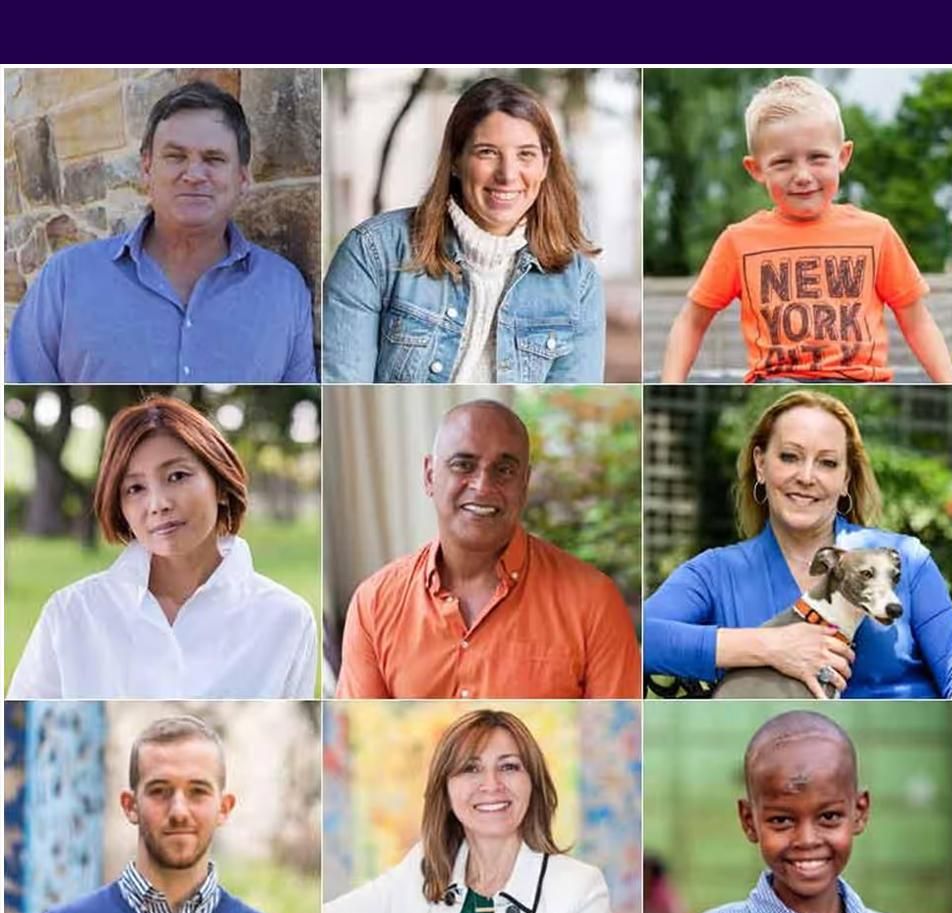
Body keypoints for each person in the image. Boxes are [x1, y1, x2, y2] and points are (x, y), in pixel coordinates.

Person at [645, 391, 952, 699]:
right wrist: (770, 647)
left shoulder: (908, 559)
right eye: (790, 457)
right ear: (760, 464)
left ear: (846, 478)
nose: (807, 476)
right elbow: (639, 636)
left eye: (827, 463)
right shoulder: (716, 573)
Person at [6, 81, 315, 384]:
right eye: (175, 156)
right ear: (146, 169)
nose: (194, 175)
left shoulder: (284, 290)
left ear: (242, 177)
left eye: (214, 159)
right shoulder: (66, 280)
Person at [7, 397, 317, 698]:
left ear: (220, 486)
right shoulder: (71, 615)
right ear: (121, 505)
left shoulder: (287, 619)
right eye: (135, 488)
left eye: (177, 476)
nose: (159, 504)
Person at [336, 399, 641, 698]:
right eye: (463, 465)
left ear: (524, 483)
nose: (482, 486)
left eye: (504, 470)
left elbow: (617, 742)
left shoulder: (593, 602)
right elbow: (358, 740)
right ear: (430, 476)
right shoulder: (375, 602)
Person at [661, 76, 952, 384]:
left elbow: (917, 322)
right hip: (776, 383)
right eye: (783, 162)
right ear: (756, 169)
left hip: (860, 383)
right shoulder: (738, 241)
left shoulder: (876, 233)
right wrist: (670, 384)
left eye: (817, 157)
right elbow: (691, 321)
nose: (802, 175)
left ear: (843, 156)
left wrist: (950, 385)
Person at [8, 717, 310, 913]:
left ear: (224, 808)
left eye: (197, 792)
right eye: (159, 791)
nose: (179, 810)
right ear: (130, 805)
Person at [321, 709, 613, 913]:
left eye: (509, 767)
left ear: (533, 784)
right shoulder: (422, 869)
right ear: (445, 791)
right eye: (470, 769)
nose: (491, 784)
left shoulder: (580, 889)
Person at [323, 77, 604, 383]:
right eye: (487, 152)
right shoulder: (373, 252)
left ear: (545, 163)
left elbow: (563, 401)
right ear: (455, 160)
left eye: (525, 154)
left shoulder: (578, 283)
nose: (508, 175)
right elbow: (343, 384)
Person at [661, 710, 922, 913]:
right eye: (782, 820)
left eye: (829, 817)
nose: (807, 840)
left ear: (859, 812)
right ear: (749, 820)